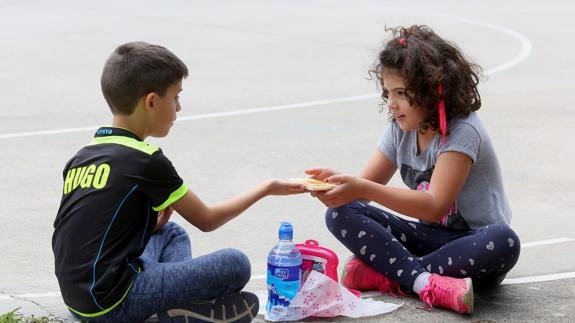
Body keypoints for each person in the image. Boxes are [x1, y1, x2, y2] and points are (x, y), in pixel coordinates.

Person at [52, 41, 306, 323]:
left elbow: (82, 231)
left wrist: (147, 225)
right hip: (114, 302)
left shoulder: (83, 156)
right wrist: (267, 188)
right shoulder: (145, 159)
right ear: (151, 102)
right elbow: (207, 220)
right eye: (175, 97)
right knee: (236, 264)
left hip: (78, 299)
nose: (179, 107)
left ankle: (177, 306)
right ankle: (174, 309)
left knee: (169, 232)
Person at [305, 25, 520, 314]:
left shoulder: (462, 130)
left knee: (503, 241)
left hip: (470, 248)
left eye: (401, 93)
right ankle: (424, 281)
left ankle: (387, 274)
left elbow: (434, 206)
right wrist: (336, 186)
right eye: (387, 92)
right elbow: (361, 194)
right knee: (340, 213)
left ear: (433, 89)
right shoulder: (400, 130)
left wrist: (360, 187)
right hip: (428, 243)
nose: (391, 104)